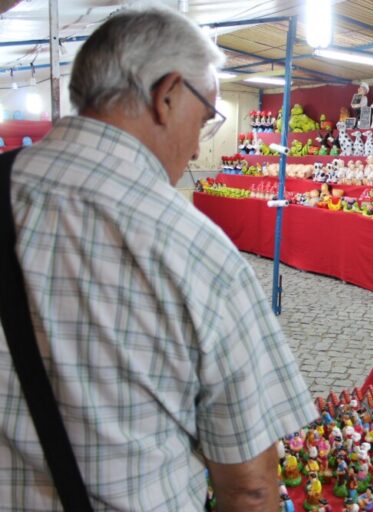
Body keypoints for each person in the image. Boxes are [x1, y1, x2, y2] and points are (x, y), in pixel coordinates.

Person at [0, 7, 316, 510]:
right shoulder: (198, 251)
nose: (196, 148)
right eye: (208, 116)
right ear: (166, 95)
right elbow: (251, 486)